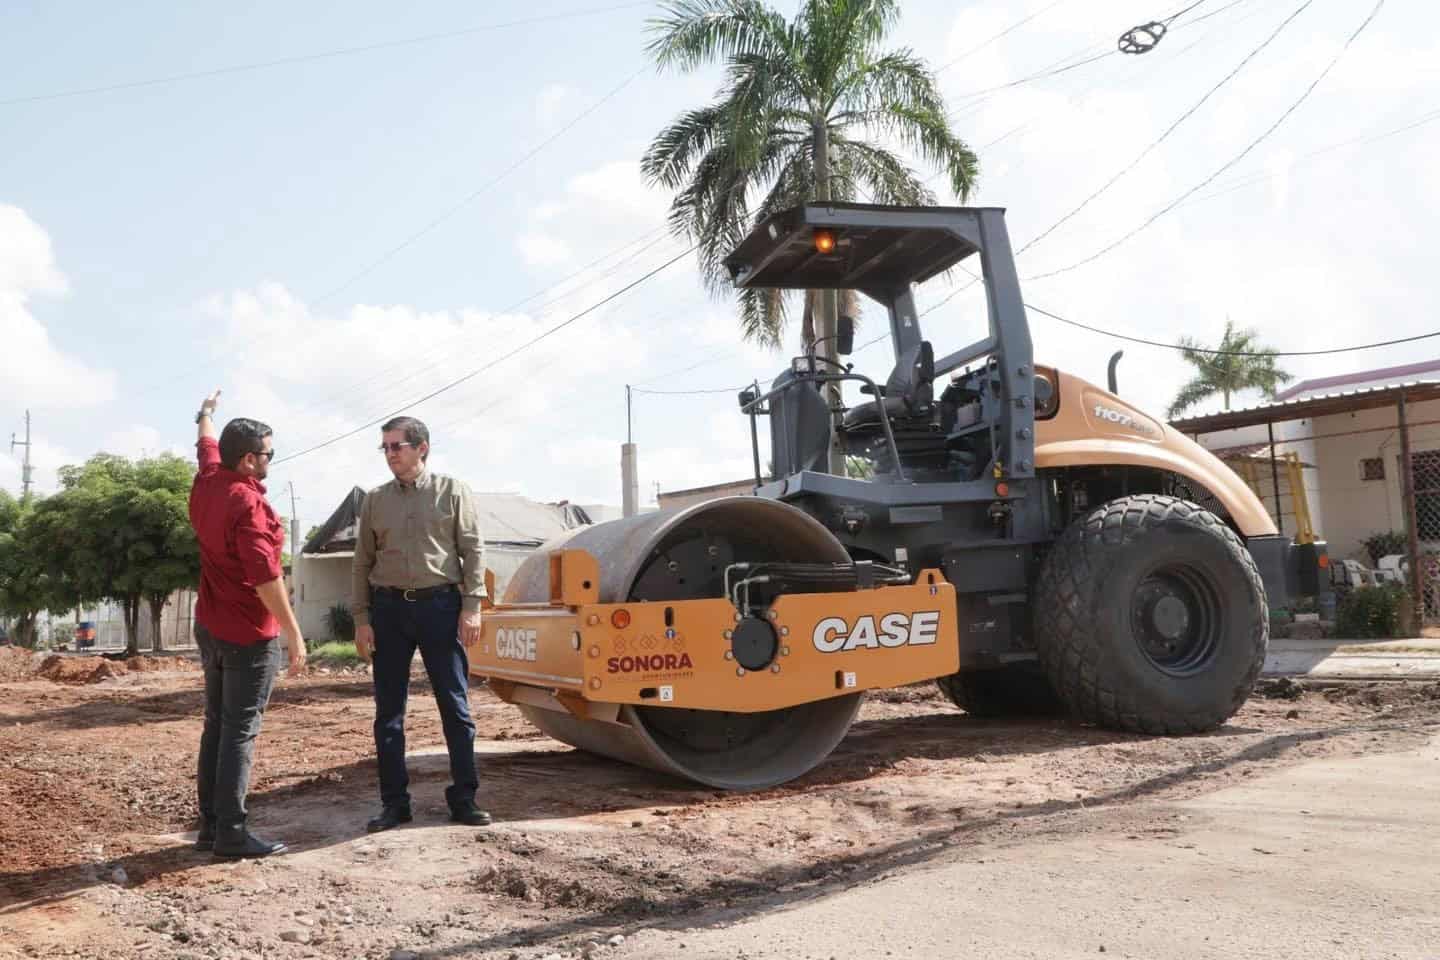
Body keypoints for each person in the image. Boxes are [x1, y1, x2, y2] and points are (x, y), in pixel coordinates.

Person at [352, 415, 491, 832]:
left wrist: (473, 605)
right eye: (386, 448)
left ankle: (464, 798)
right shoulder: (375, 500)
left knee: (455, 706)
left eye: (397, 446)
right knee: (388, 713)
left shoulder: (452, 491)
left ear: (421, 448)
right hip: (389, 611)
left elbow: (473, 550)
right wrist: (362, 618)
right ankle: (395, 804)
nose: (390, 455)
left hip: (441, 609)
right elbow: (362, 562)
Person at [188, 389, 306, 858]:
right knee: (239, 731)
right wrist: (295, 634)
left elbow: (205, 445)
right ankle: (231, 834)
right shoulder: (247, 504)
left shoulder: (209, 480)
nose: (272, 460)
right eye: (268, 454)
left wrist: (206, 414)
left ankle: (210, 828)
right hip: (246, 634)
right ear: (249, 460)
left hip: (211, 627)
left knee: (216, 725)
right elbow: (265, 577)